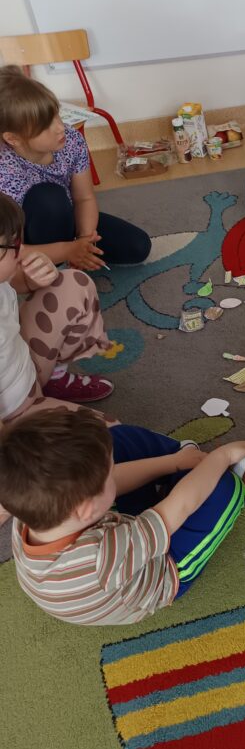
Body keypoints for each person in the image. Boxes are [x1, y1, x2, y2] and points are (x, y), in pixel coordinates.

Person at [0, 405, 245, 624]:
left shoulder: (30, 506)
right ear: (86, 509)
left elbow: (114, 479)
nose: (115, 472)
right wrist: (224, 455)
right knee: (225, 490)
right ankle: (198, 470)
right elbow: (180, 506)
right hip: (157, 572)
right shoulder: (102, 557)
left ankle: (186, 462)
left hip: (107, 540)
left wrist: (173, 462)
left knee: (115, 441)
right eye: (110, 474)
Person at [0, 193, 116, 527]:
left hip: (25, 372)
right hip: (12, 419)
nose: (22, 250)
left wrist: (35, 278)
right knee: (106, 449)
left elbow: (14, 283)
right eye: (12, 246)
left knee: (70, 283)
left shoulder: (4, 272)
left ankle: (56, 379)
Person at [0, 66, 151, 269]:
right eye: (44, 126)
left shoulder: (71, 139)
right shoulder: (5, 170)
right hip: (23, 242)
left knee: (138, 246)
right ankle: (57, 265)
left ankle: (68, 254)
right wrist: (68, 251)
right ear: (13, 138)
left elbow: (84, 197)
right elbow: (10, 250)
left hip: (66, 218)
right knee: (49, 197)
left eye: (56, 115)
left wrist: (85, 242)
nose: (60, 127)